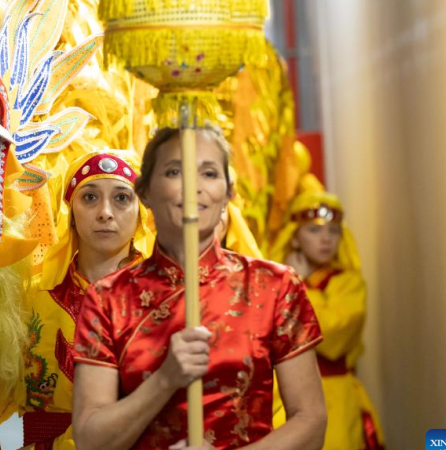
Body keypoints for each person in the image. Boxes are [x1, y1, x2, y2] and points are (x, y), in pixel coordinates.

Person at [71, 127, 327, 450]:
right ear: (145, 192)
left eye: (208, 173)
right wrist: (165, 379)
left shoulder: (274, 286)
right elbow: (91, 440)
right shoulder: (108, 299)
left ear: (229, 192)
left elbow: (311, 421)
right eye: (174, 171)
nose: (193, 187)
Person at [19, 150, 155, 450]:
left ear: (141, 213)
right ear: (70, 212)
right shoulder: (32, 298)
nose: (105, 212)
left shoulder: (169, 297)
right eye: (90, 198)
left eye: (121, 198)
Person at [269, 191, 386, 450]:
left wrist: (298, 287)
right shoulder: (271, 283)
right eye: (314, 230)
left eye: (333, 232)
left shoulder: (348, 282)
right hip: (279, 397)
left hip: (334, 398)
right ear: (295, 237)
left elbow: (332, 335)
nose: (325, 239)